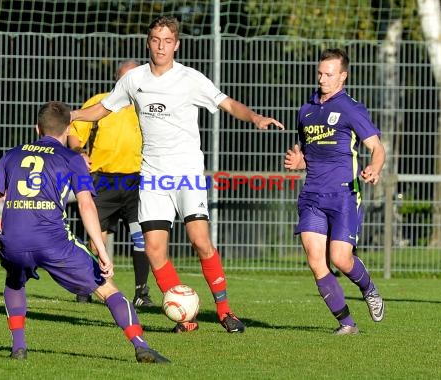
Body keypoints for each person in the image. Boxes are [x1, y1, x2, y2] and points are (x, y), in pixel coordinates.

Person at [70, 15, 284, 333]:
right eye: (156, 39)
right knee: (155, 250)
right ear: (148, 42)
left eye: (167, 40)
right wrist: (70, 114)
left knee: (201, 242)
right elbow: (104, 108)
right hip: (153, 176)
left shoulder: (189, 79)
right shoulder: (133, 80)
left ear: (177, 45)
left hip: (186, 173)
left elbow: (226, 103)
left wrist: (254, 117)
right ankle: (186, 319)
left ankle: (225, 312)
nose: (161, 46)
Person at [0, 101, 169, 363]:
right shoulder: (71, 158)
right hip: (53, 241)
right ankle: (141, 345)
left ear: (37, 128)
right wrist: (102, 251)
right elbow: (87, 205)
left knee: (14, 278)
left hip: (15, 240)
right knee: (107, 289)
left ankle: (18, 346)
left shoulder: (12, 154)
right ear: (68, 129)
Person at [284, 48, 385, 335]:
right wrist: (299, 161)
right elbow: (307, 152)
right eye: (320, 73)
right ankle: (347, 323)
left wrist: (374, 168)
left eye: (329, 74)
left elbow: (377, 147)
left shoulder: (351, 109)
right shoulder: (306, 110)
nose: (322, 79)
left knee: (341, 258)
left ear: (343, 76)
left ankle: (369, 289)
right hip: (312, 196)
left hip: (343, 196)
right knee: (317, 262)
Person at [69, 60, 153, 307]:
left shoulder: (146, 105)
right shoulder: (101, 102)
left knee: (141, 238)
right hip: (102, 179)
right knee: (97, 240)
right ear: (118, 80)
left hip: (135, 180)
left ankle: (141, 293)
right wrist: (79, 151)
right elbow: (76, 131)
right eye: (125, 79)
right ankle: (88, 285)